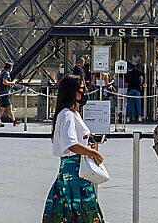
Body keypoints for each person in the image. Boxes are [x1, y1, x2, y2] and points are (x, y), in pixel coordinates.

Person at [43, 74, 106, 223]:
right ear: (72, 92)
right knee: (82, 212)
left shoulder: (71, 114)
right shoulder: (68, 115)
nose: (84, 93)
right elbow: (70, 143)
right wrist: (92, 152)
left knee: (69, 213)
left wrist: (87, 144)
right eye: (81, 89)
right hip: (75, 174)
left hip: (72, 172)